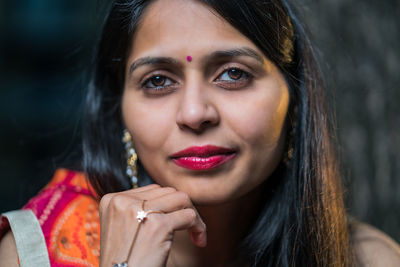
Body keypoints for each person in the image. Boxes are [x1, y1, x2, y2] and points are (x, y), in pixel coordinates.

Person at [1, 0, 400, 266]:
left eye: (233, 74)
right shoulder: (32, 252)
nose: (194, 113)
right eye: (158, 81)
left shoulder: (368, 259)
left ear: (295, 104)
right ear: (120, 111)